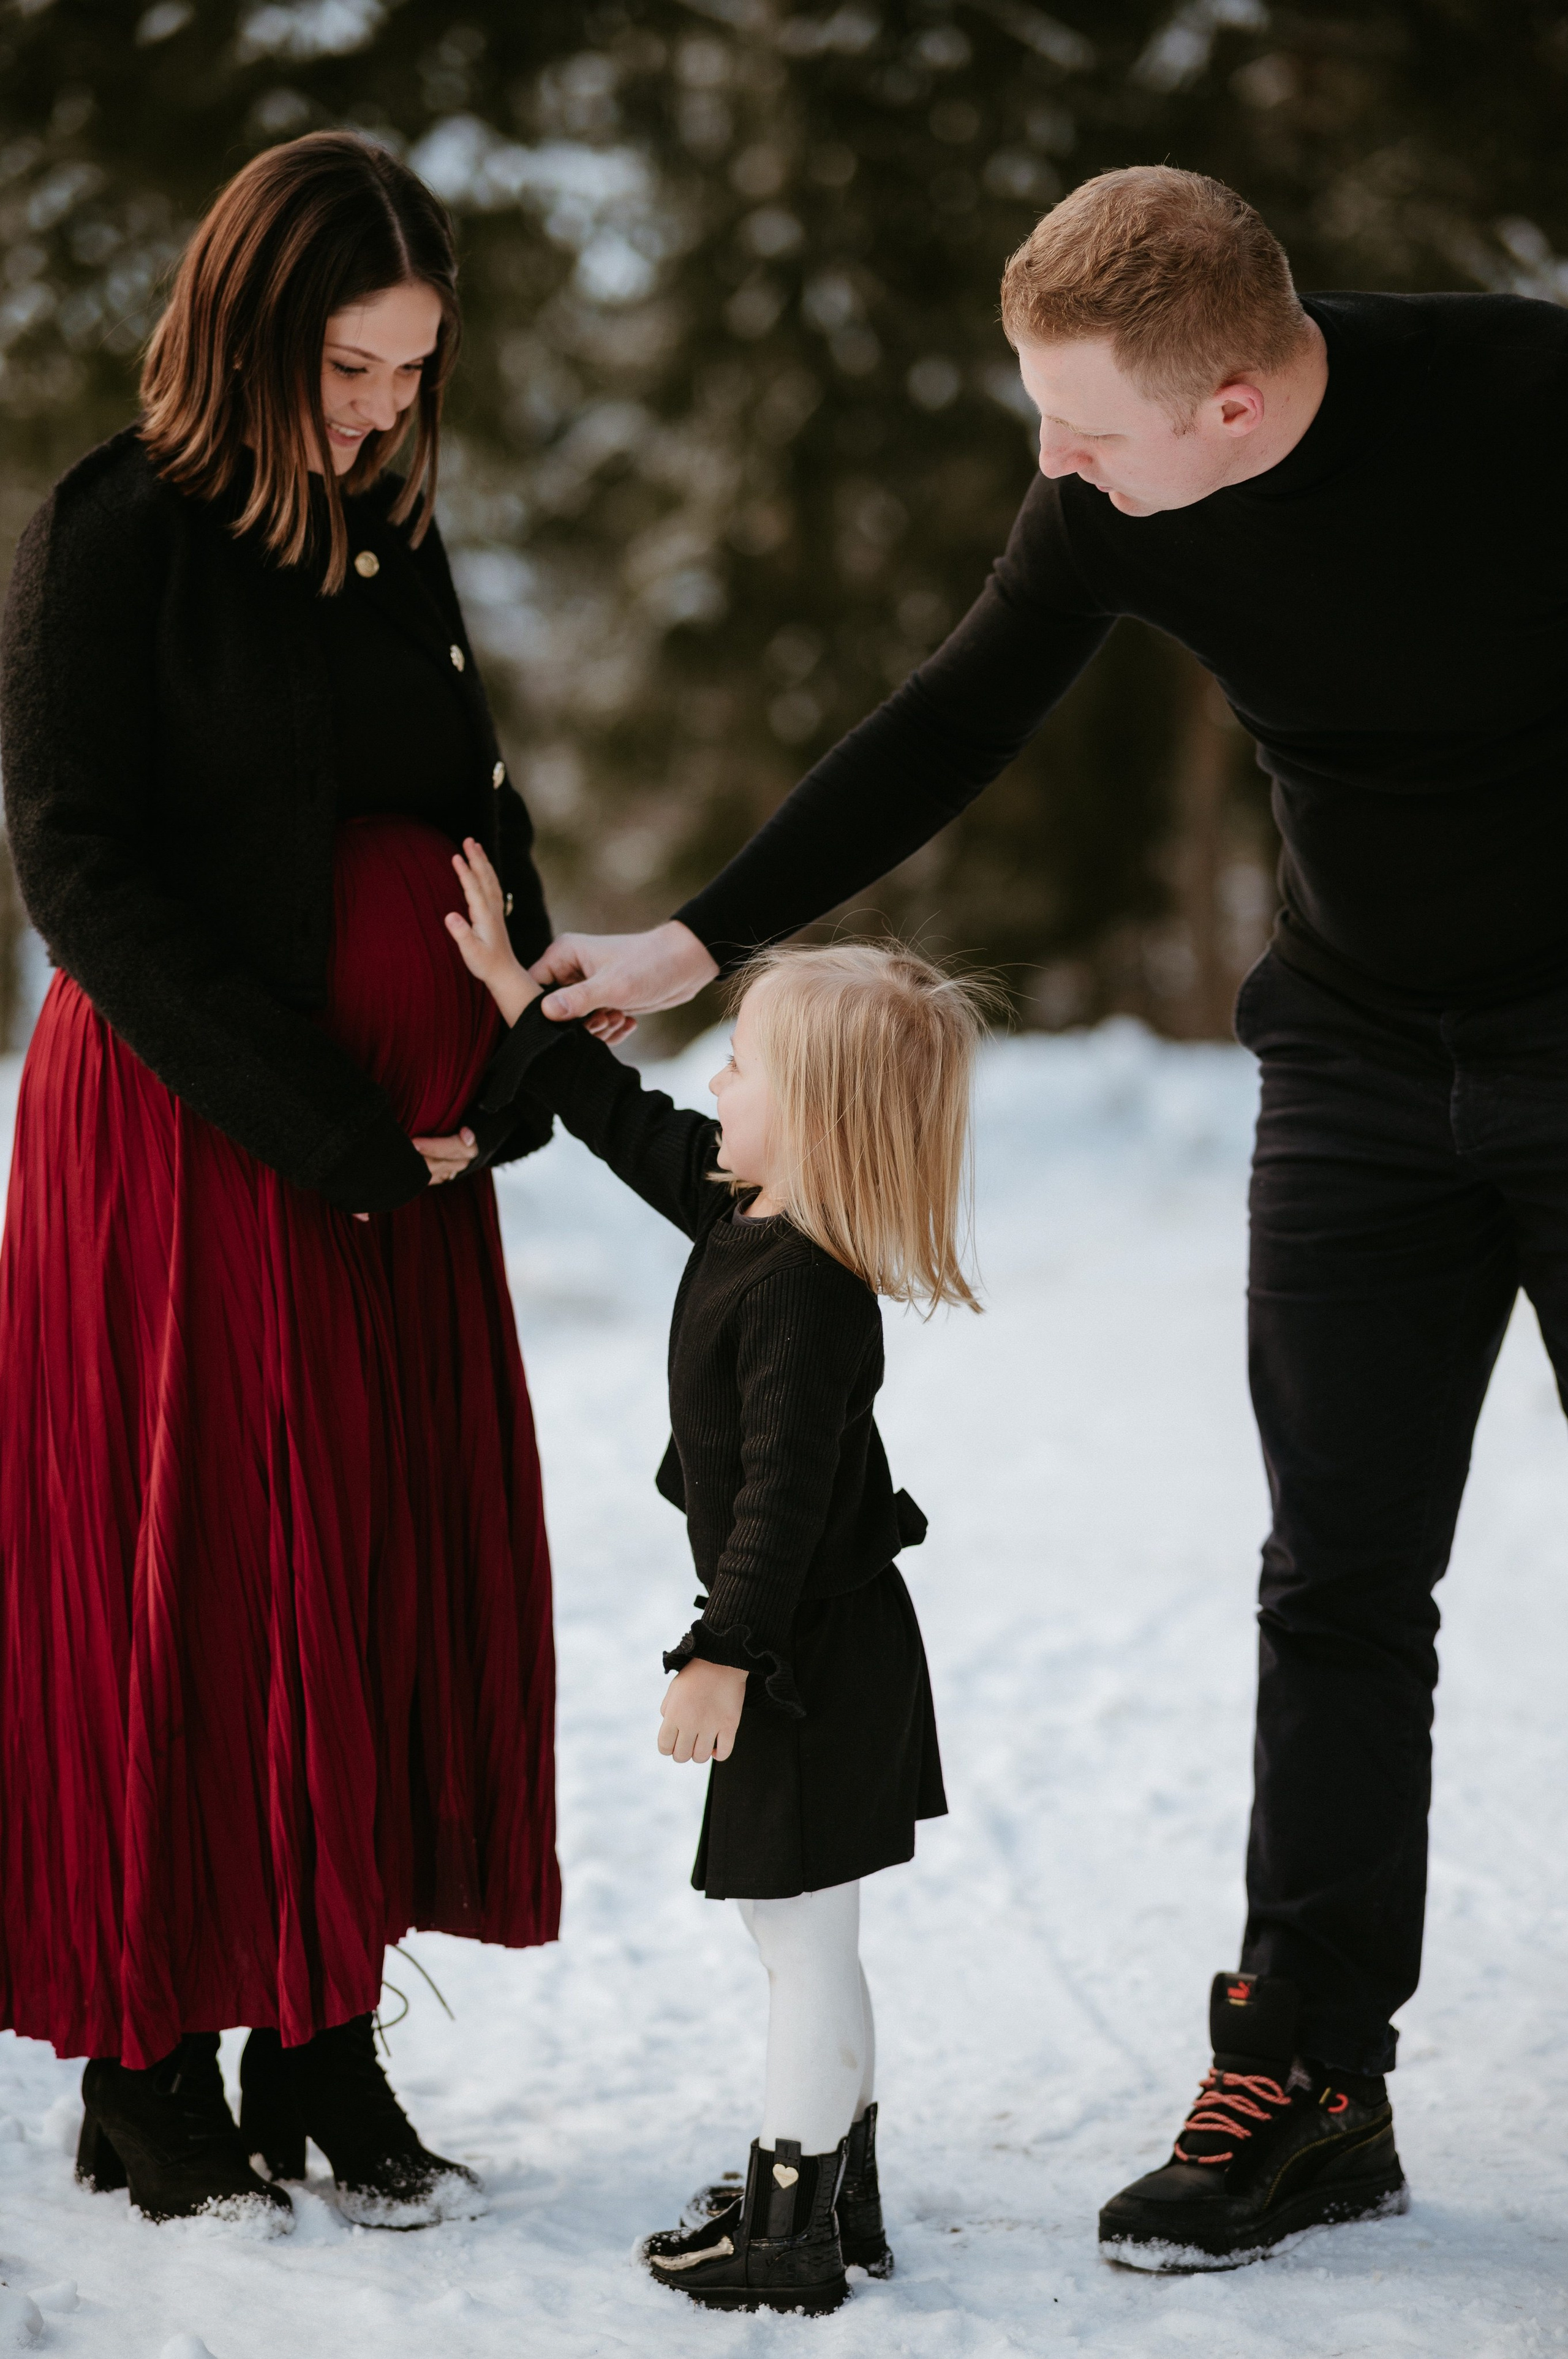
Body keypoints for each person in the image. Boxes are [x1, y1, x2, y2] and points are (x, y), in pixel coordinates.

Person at [522, 161, 1568, 2267]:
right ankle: (1309, 2074)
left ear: (1234, 407)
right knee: (1340, 1574)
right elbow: (954, 716)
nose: (1052, 463)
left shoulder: (1523, 409)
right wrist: (703, 940)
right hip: (1357, 1059)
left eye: (1085, 426)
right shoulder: (1112, 494)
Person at [0, 133, 560, 2232]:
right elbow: (78, 867)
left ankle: (319, 2031)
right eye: (349, 366)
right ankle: (146, 2058)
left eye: (414, 369)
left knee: (367, 1571)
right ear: (246, 332)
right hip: (197, 1131)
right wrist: (318, 1124)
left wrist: (507, 1058)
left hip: (397, 1162)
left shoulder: (385, 528)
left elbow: (480, 810)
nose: (384, 409)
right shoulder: (119, 528)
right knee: (201, 1583)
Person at [448, 834, 971, 2312]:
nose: (713, 1086)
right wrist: (518, 1003)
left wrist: (720, 1652)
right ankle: (835, 2196)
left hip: (802, 1659)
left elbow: (780, 1508)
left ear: (807, 1120)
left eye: (737, 1066)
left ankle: (790, 2228)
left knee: (797, 1942)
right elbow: (624, 1121)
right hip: (826, 1649)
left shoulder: (803, 1292)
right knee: (809, 1936)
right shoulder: (755, 1215)